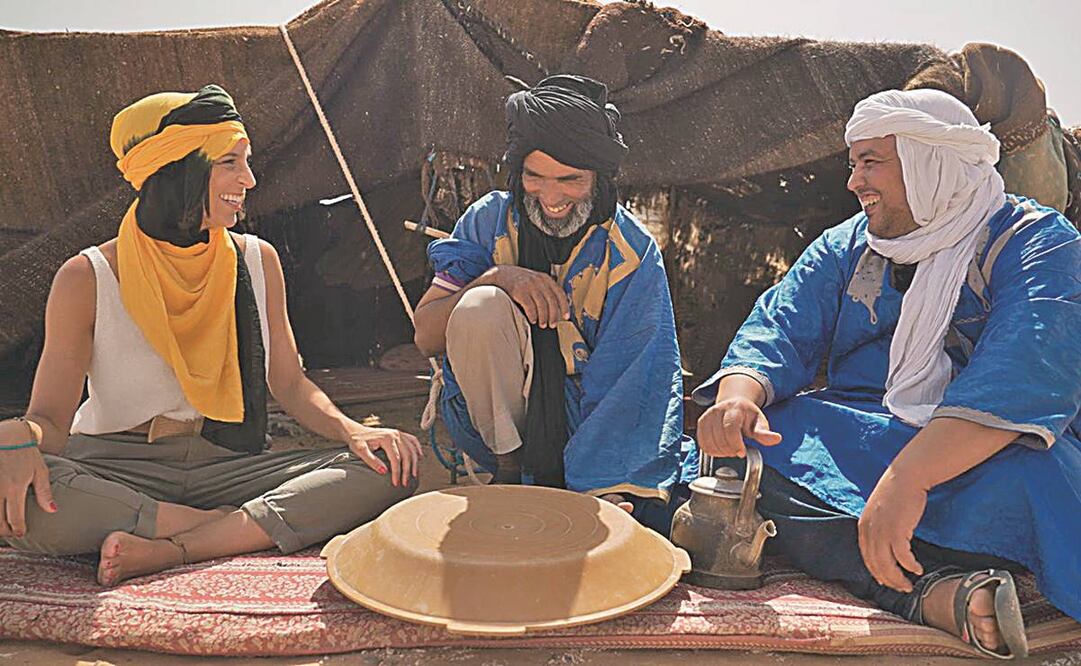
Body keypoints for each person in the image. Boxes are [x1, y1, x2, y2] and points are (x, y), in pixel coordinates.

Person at [694, 88, 1081, 660]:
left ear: (931, 162)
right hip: (864, 439)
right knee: (749, 443)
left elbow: (1023, 373)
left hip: (987, 455)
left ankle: (895, 566)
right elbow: (780, 326)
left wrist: (908, 482)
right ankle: (920, 592)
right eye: (853, 164)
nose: (853, 181)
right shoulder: (851, 244)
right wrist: (738, 397)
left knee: (1041, 481)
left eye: (871, 161)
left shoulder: (1036, 243)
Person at [0, 85, 421, 586]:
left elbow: (290, 383)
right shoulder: (87, 276)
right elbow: (51, 418)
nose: (249, 179)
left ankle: (169, 549)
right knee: (18, 493)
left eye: (246, 162)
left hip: (229, 463)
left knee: (391, 469)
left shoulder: (257, 260)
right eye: (229, 162)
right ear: (177, 167)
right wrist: (17, 437)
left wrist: (356, 431)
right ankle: (224, 529)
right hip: (116, 466)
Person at [413, 75, 698, 532]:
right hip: (495, 421)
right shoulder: (489, 221)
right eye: (534, 177)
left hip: (590, 419)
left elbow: (635, 377)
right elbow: (426, 334)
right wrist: (497, 277)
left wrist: (603, 491)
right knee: (479, 305)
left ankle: (592, 484)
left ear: (598, 178)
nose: (550, 197)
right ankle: (507, 477)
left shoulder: (628, 250)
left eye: (571, 181)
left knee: (640, 520)